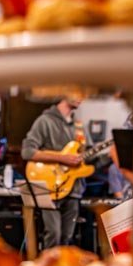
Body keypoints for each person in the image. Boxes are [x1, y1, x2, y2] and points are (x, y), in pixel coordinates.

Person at [21, 96, 84, 248]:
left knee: (67, 238)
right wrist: (62, 158)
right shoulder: (45, 121)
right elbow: (27, 152)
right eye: (78, 92)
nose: (82, 97)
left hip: (73, 189)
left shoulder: (79, 125)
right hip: (50, 188)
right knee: (53, 234)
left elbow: (82, 157)